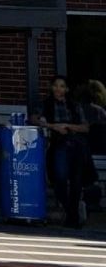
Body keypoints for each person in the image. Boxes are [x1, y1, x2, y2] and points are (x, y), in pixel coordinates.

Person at [33, 75, 94, 228]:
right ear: (51, 87)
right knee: (59, 178)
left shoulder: (74, 105)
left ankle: (72, 218)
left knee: (76, 181)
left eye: (62, 86)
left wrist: (67, 125)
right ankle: (71, 212)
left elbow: (85, 127)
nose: (58, 89)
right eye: (55, 86)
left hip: (76, 145)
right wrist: (53, 126)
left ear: (66, 89)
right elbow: (33, 119)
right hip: (59, 144)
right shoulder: (46, 104)